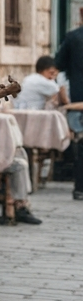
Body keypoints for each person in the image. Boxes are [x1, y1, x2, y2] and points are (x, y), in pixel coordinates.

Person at [55, 19, 83, 201]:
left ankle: (80, 187)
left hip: (79, 96)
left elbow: (59, 63)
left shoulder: (73, 37)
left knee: (82, 144)